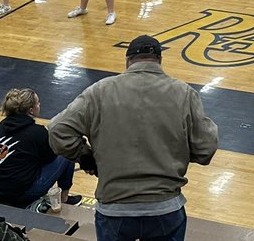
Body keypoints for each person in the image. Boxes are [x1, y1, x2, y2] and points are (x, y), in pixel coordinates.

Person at [49, 35, 218, 241]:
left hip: (114, 208)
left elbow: (57, 130)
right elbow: (206, 148)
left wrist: (86, 157)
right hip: (164, 207)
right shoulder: (185, 93)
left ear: (127, 61)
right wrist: (173, 152)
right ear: (159, 60)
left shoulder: (99, 91)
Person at [0, 88, 80, 210]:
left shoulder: (3, 125)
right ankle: (64, 198)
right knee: (65, 150)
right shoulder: (38, 132)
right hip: (22, 194)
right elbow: (50, 158)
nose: (40, 105)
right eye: (38, 103)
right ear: (31, 110)